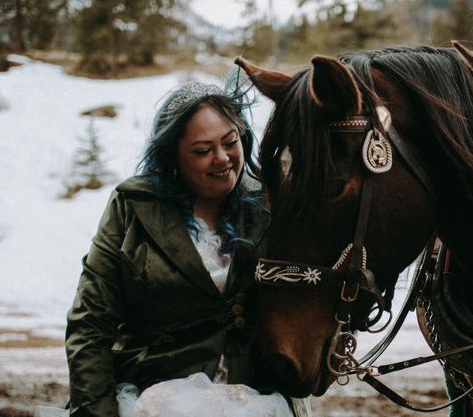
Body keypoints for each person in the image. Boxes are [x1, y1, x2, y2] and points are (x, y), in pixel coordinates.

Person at [64, 75, 309, 417]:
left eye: (230, 142)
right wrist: (96, 412)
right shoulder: (132, 206)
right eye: (203, 151)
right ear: (173, 157)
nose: (222, 158)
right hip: (152, 402)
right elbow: (90, 324)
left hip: (260, 402)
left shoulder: (272, 201)